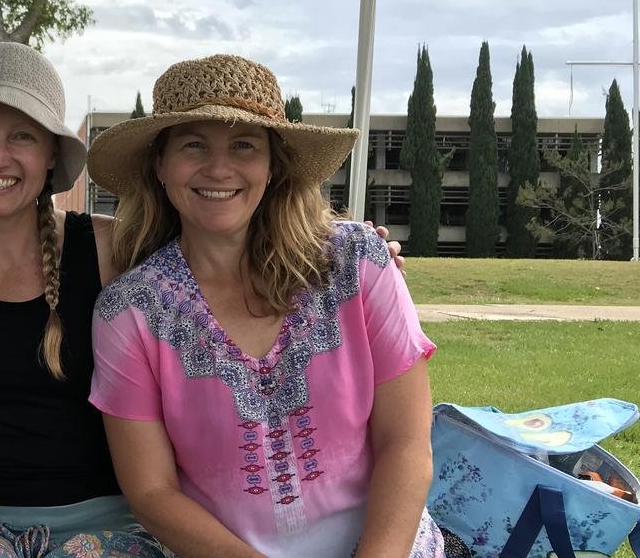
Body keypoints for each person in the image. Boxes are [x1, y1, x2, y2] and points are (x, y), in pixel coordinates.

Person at [0, 43, 403, 558]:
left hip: (108, 522)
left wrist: (362, 255)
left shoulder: (113, 250)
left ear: (52, 153)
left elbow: (222, 247)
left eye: (22, 134)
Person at [85, 54, 443, 558]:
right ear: (159, 165)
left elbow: (406, 443)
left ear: (273, 165)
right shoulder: (131, 312)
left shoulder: (358, 263)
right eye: (193, 144)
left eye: (244, 145)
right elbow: (151, 492)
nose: (219, 167)